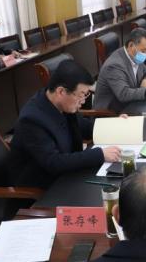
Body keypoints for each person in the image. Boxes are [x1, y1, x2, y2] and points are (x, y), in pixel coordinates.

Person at [8, 60, 122, 189]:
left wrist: (115, 126)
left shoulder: (62, 104)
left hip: (67, 175)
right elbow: (54, 162)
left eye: (86, 94)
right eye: (81, 95)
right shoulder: (31, 120)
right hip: (44, 187)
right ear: (61, 91)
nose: (83, 101)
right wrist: (99, 154)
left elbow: (84, 127)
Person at [93, 28, 146, 114]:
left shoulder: (135, 57)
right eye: (143, 51)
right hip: (111, 114)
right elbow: (123, 94)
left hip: (130, 106)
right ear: (131, 45)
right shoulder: (114, 65)